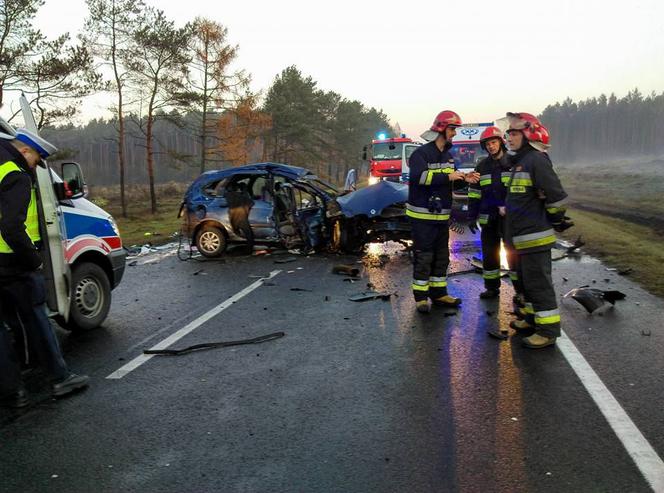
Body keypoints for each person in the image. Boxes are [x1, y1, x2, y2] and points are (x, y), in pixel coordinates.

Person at [0, 128, 89, 408]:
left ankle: (12, 392)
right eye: (36, 159)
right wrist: (34, 260)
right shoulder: (15, 174)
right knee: (38, 320)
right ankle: (60, 377)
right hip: (14, 264)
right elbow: (12, 227)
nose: (34, 165)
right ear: (25, 150)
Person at [503, 113, 572, 348]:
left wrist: (556, 219)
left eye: (514, 133)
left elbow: (555, 195)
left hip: (534, 237)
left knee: (539, 285)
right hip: (521, 236)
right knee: (527, 283)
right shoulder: (521, 161)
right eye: (508, 133)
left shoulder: (537, 160)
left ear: (528, 134)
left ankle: (548, 331)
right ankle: (532, 319)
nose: (509, 137)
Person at [407, 110, 480, 313]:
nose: (455, 133)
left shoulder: (448, 157)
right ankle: (421, 298)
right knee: (424, 256)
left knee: (441, 256)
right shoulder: (420, 154)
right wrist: (448, 177)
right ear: (441, 128)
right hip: (422, 216)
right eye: (452, 129)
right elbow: (419, 178)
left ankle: (439, 293)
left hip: (441, 216)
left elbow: (449, 186)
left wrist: (463, 179)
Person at [467, 126, 523, 301]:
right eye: (487, 144)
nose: (491, 146)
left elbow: (521, 191)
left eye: (493, 142)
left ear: (501, 142)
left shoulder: (514, 163)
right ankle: (491, 288)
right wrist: (471, 215)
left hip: (509, 218)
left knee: (513, 256)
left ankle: (520, 292)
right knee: (490, 255)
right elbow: (474, 193)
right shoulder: (482, 166)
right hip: (488, 218)